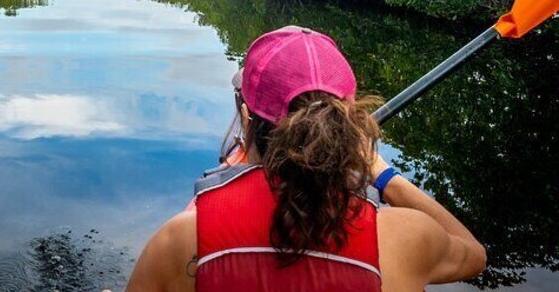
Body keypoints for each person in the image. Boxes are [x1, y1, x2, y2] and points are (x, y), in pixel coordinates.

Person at [127, 26, 486, 291]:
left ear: (248, 121)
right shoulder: (405, 237)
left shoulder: (180, 241)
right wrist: (380, 173)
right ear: (346, 125)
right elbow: (474, 255)